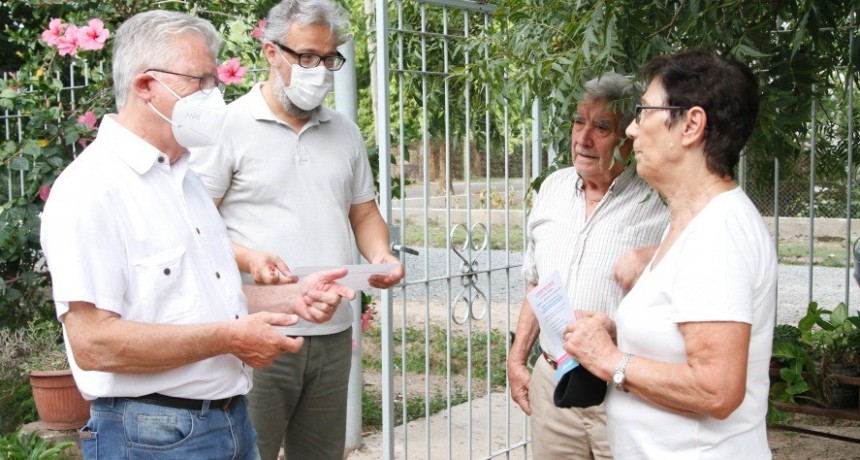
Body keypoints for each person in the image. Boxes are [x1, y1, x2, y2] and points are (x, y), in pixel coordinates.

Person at [39, 10, 355, 460]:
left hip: (226, 422)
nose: (213, 97)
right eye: (200, 82)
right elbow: (94, 344)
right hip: (151, 434)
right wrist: (228, 338)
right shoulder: (92, 190)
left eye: (215, 82)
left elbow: (209, 299)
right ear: (145, 86)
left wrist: (294, 298)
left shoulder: (183, 180)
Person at [189, 1, 404, 458]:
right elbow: (195, 227)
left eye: (329, 59)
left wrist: (380, 254)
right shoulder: (228, 125)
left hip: (332, 332)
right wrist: (249, 259)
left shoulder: (343, 130)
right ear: (271, 52)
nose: (319, 70)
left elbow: (362, 212)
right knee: (250, 451)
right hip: (258, 328)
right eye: (306, 57)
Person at [562, 49, 776, 459]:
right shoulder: (691, 220)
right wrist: (615, 335)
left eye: (643, 113)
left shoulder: (718, 233)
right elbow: (680, 342)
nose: (632, 131)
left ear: (691, 125)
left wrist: (610, 359)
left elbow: (717, 388)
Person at [507, 73, 669, 459]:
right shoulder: (552, 189)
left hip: (625, 389)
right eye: (579, 122)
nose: (583, 138)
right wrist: (517, 359)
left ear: (629, 137)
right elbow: (536, 283)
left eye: (601, 127)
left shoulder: (658, 201)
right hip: (554, 383)